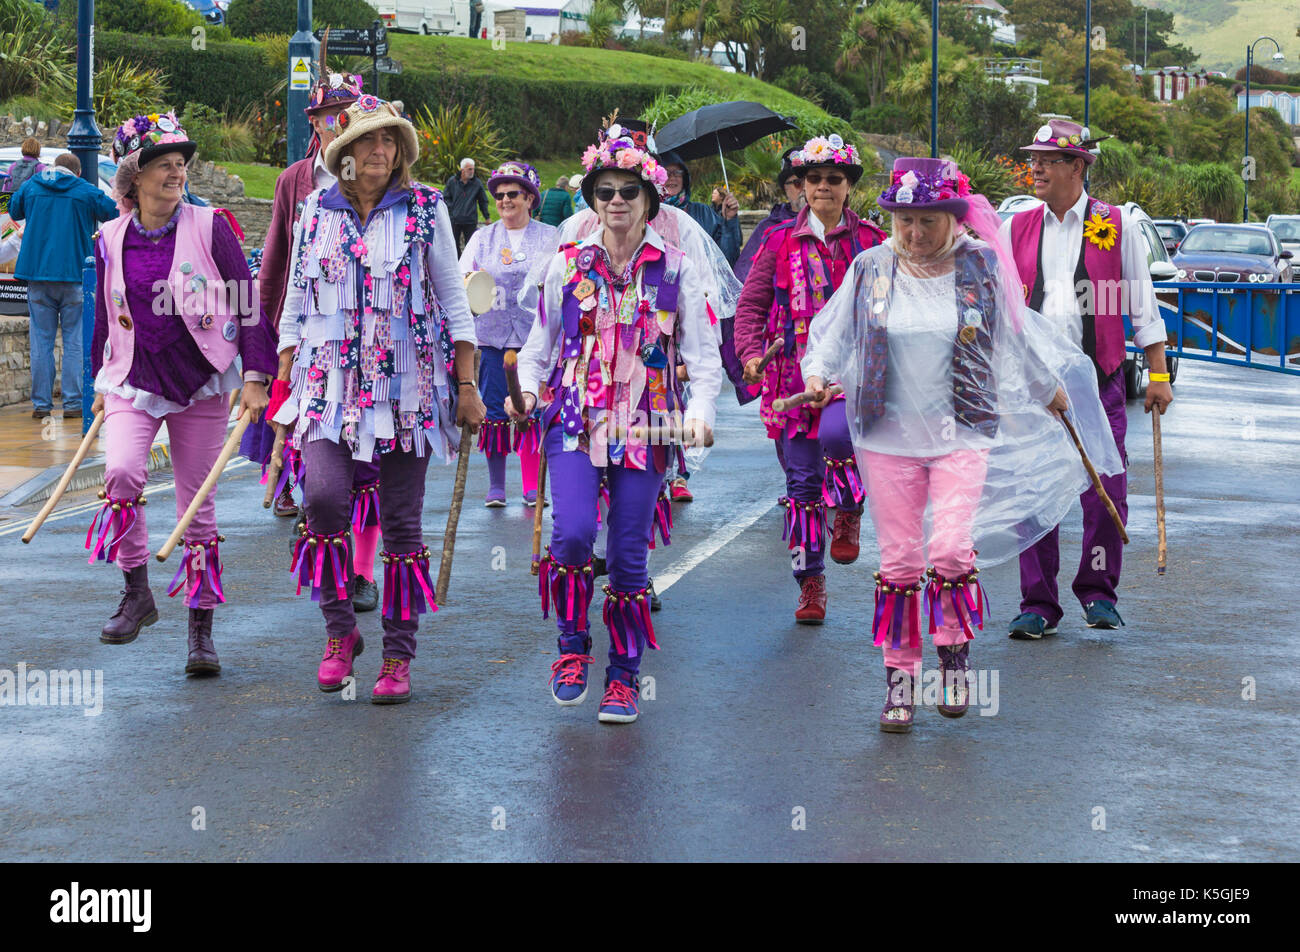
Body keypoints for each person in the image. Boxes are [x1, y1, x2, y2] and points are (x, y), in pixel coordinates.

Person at [799, 155, 1121, 732]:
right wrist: (818, 375)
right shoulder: (871, 267)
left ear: (955, 217)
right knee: (899, 561)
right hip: (886, 436)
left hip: (961, 433)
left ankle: (952, 657)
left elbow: (1014, 339)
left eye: (929, 221)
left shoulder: (980, 267)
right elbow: (834, 334)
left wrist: (1047, 388)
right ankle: (900, 680)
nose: (916, 234)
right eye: (905, 222)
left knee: (949, 549)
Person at [270, 95, 486, 705]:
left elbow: (453, 300)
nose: (381, 152)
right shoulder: (314, 211)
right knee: (322, 500)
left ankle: (398, 652)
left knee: (400, 524)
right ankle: (341, 634)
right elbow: (294, 300)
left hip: (410, 392)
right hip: (326, 390)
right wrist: (283, 372)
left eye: (390, 142)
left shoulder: (426, 211)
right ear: (343, 153)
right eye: (369, 142)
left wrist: (466, 386)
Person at [511, 120, 721, 724]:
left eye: (630, 191)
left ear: (650, 200)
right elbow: (537, 348)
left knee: (629, 556)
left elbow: (704, 359)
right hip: (576, 419)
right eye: (606, 191)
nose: (618, 201)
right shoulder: (565, 265)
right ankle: (572, 650)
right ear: (593, 200)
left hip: (648, 427)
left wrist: (700, 414)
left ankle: (624, 676)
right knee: (573, 534)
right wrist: (528, 391)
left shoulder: (678, 270)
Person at [87, 111, 276, 673]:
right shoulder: (110, 237)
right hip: (133, 379)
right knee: (120, 473)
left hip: (202, 379)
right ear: (133, 176)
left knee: (198, 507)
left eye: (179, 164)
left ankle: (200, 628)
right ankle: (137, 591)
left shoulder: (209, 224)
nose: (175, 173)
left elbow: (246, 302)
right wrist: (97, 382)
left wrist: (255, 376)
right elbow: (105, 313)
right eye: (163, 164)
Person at [1001, 119, 1174, 639]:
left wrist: (1160, 374)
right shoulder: (1017, 227)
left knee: (1106, 491)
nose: (1035, 168)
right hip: (1034, 386)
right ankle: (1038, 602)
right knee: (1034, 494)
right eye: (1033, 159)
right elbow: (1003, 310)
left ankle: (1098, 593)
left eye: (1047, 161)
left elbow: (1142, 306)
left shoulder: (1115, 224)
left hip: (1097, 381)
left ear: (1077, 167)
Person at [247, 52, 385, 614]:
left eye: (346, 111)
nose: (338, 121)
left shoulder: (384, 175)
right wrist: (264, 351)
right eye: (328, 114)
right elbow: (275, 266)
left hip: (378, 340)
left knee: (370, 453)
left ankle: (363, 571)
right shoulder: (294, 182)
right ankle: (321, 524)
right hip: (307, 337)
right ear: (314, 122)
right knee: (318, 447)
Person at [733, 135, 885, 624]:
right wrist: (752, 354)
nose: (823, 187)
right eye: (814, 179)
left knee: (840, 438)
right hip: (792, 380)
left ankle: (849, 507)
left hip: (853, 378)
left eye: (833, 179)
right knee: (800, 486)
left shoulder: (874, 243)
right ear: (801, 185)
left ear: (849, 187)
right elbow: (751, 305)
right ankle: (811, 581)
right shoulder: (778, 240)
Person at [458, 160, 556, 506]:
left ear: (530, 198)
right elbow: (461, 279)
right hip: (494, 339)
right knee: (495, 412)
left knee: (531, 408)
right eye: (499, 195)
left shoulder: (552, 237)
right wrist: (471, 283)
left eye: (512, 194)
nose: (504, 201)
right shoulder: (482, 238)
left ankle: (532, 486)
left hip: (534, 340)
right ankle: (497, 486)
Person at [10, 152, 118, 421]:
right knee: (73, 341)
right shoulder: (85, 190)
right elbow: (113, 212)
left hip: (38, 275)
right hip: (75, 274)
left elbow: (14, 210)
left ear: (52, 167)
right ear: (78, 172)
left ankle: (42, 405)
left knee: (41, 341)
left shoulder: (33, 185)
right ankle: (72, 402)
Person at [658, 150, 742, 268]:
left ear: (684, 178)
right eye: (666, 173)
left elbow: (727, 260)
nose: (672, 178)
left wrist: (729, 221)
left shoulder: (704, 213)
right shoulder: (650, 215)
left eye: (677, 173)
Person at [734, 146, 804, 284]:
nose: (805, 188)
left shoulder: (829, 223)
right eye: (797, 183)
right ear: (785, 187)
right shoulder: (769, 227)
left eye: (812, 180)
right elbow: (745, 277)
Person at [444, 157, 491, 255]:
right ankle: (458, 266)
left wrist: (487, 217)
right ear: (462, 170)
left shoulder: (477, 183)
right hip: (455, 220)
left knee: (470, 246)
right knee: (454, 245)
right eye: (470, 169)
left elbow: (483, 201)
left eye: (473, 169)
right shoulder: (452, 181)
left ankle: (468, 267)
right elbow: (446, 198)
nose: (472, 171)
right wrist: (453, 209)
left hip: (470, 220)